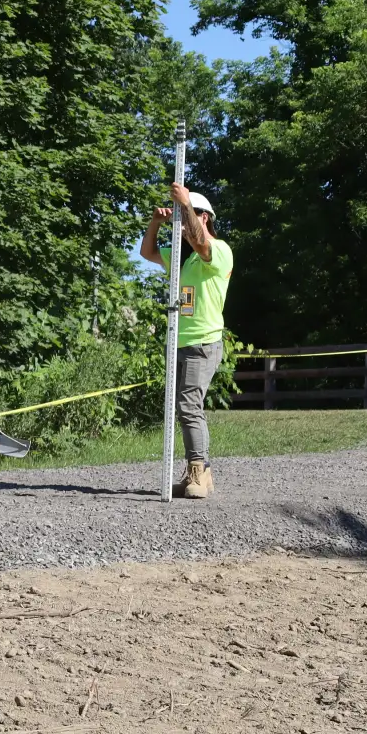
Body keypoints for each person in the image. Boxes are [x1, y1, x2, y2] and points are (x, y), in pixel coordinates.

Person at [139, 183, 234, 499]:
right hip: (178, 341)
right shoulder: (181, 257)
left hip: (203, 343)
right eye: (178, 217)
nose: (180, 223)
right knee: (182, 408)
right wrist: (155, 222)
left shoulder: (218, 252)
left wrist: (185, 205)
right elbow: (147, 252)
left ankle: (198, 470)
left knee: (188, 405)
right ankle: (201, 472)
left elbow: (200, 242)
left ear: (204, 217)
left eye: (187, 217)